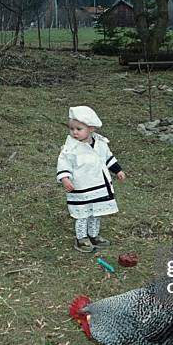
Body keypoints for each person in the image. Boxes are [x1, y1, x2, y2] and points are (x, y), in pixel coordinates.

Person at [56, 106, 126, 252]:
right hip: (80, 188)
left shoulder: (100, 144)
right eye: (72, 129)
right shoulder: (70, 148)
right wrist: (65, 179)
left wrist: (117, 170)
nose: (74, 132)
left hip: (99, 186)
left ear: (91, 129)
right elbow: (63, 163)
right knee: (83, 214)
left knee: (96, 212)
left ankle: (94, 235)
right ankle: (81, 238)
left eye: (79, 129)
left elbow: (108, 158)